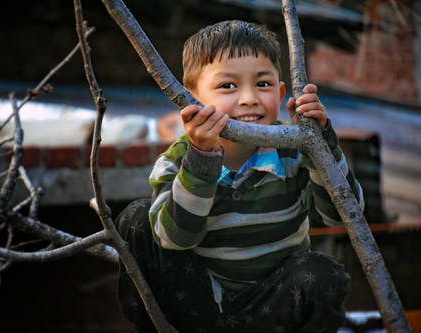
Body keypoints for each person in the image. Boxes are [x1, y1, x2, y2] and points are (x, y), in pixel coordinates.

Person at [116, 20, 364, 333]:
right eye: (228, 86)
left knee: (323, 272)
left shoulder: (293, 151)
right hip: (198, 307)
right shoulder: (175, 162)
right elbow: (175, 240)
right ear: (189, 99)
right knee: (137, 218)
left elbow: (345, 215)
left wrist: (322, 144)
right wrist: (202, 161)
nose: (249, 98)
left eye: (263, 84)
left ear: (281, 91)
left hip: (272, 307)